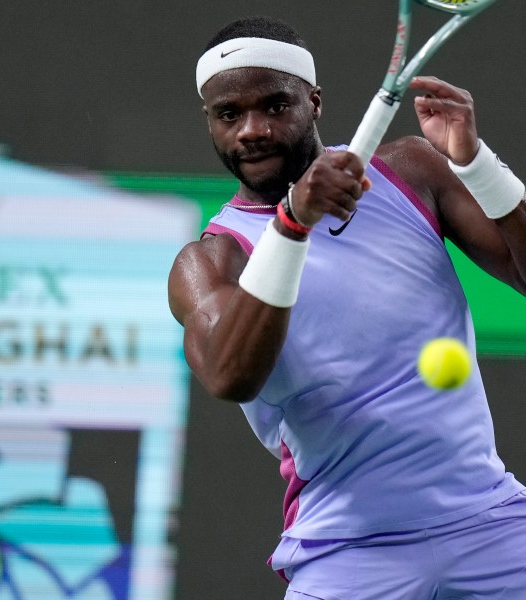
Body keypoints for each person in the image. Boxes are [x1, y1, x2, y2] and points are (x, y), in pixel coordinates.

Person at [168, 15, 526, 599]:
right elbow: (231, 375)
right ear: (210, 122)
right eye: (229, 114)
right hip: (347, 554)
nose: (251, 130)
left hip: (493, 526)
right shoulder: (209, 261)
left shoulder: (411, 171)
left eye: (275, 106)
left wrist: (477, 164)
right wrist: (292, 224)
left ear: (314, 103)